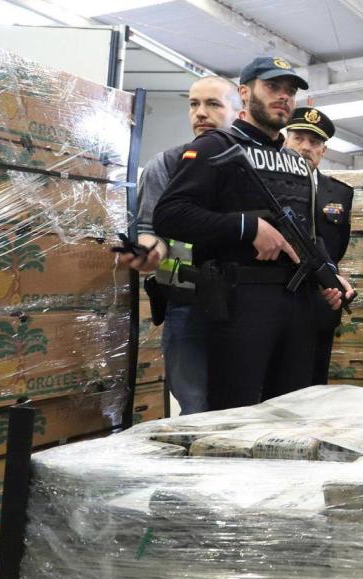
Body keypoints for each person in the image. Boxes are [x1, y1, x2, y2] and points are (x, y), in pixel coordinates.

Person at [153, 56, 350, 411]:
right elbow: (170, 214)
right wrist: (248, 228)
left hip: (297, 304)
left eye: (289, 92)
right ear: (245, 92)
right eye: (272, 87)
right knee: (234, 416)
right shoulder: (216, 147)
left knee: (290, 414)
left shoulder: (295, 162)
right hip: (240, 304)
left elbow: (307, 234)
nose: (283, 97)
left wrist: (330, 276)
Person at [120, 76, 241, 415]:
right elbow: (148, 227)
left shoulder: (252, 167)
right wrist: (148, 250)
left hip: (246, 307)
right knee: (195, 407)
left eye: (213, 104)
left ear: (238, 111)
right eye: (194, 104)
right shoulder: (169, 164)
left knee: (244, 406)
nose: (201, 113)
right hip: (187, 305)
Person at [283, 107, 354, 385]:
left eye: (314, 142)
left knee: (315, 381)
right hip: (281, 297)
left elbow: (339, 243)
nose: (305, 147)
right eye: (298, 138)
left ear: (324, 150)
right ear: (285, 141)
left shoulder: (340, 193)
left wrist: (328, 277)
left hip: (324, 299)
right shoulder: (271, 185)